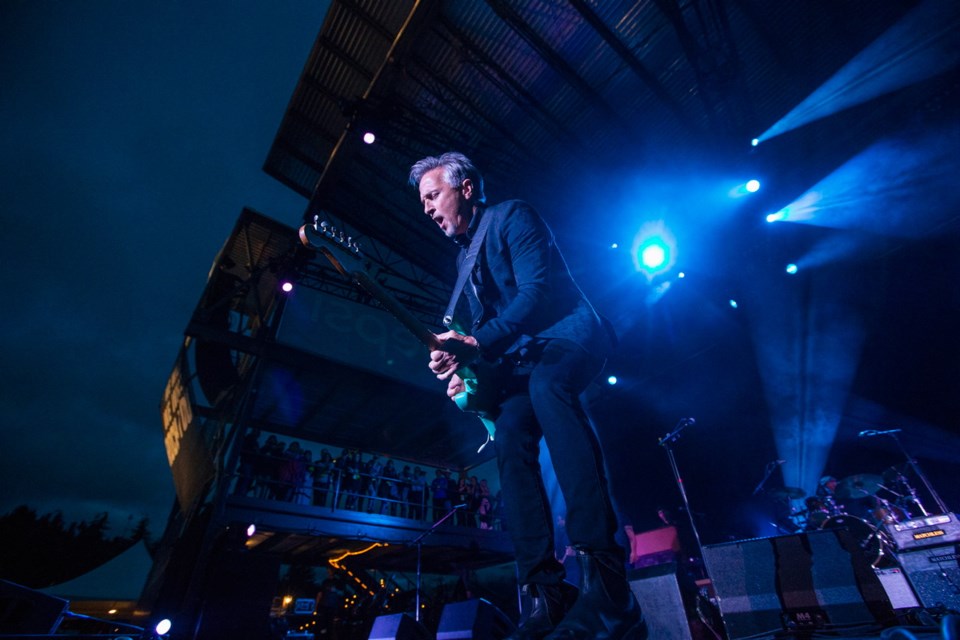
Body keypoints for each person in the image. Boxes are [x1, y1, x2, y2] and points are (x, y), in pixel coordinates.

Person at [410, 152, 644, 640]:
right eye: (423, 203)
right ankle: (546, 591)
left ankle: (609, 583)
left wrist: (477, 344)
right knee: (510, 431)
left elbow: (536, 292)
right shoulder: (462, 258)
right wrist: (457, 362)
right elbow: (482, 332)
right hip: (524, 357)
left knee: (548, 387)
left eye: (433, 196)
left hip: (570, 333)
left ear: (466, 188)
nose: (428, 209)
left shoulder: (512, 214)